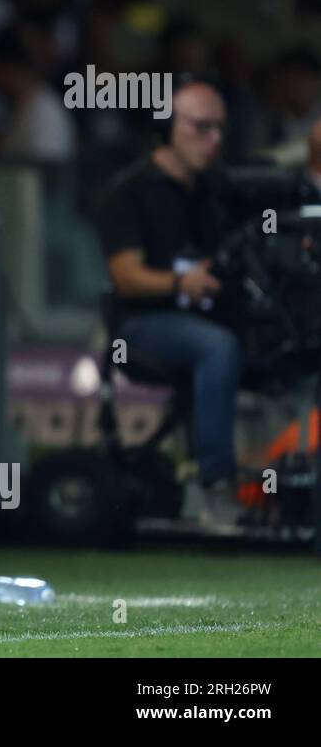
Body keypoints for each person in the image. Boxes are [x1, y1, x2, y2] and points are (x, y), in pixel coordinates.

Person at [98, 81, 243, 533]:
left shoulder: (217, 191)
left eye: (220, 128)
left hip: (208, 320)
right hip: (141, 327)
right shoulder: (129, 191)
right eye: (201, 127)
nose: (213, 139)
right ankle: (217, 488)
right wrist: (183, 281)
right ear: (167, 126)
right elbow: (126, 276)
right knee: (217, 346)